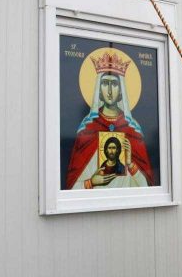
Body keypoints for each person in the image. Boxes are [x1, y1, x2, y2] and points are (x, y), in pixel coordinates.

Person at [65, 52, 153, 189]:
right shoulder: (88, 129)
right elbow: (71, 189)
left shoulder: (132, 129)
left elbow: (147, 188)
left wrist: (130, 164)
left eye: (114, 84)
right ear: (99, 90)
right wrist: (91, 182)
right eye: (105, 84)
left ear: (121, 92)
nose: (110, 91)